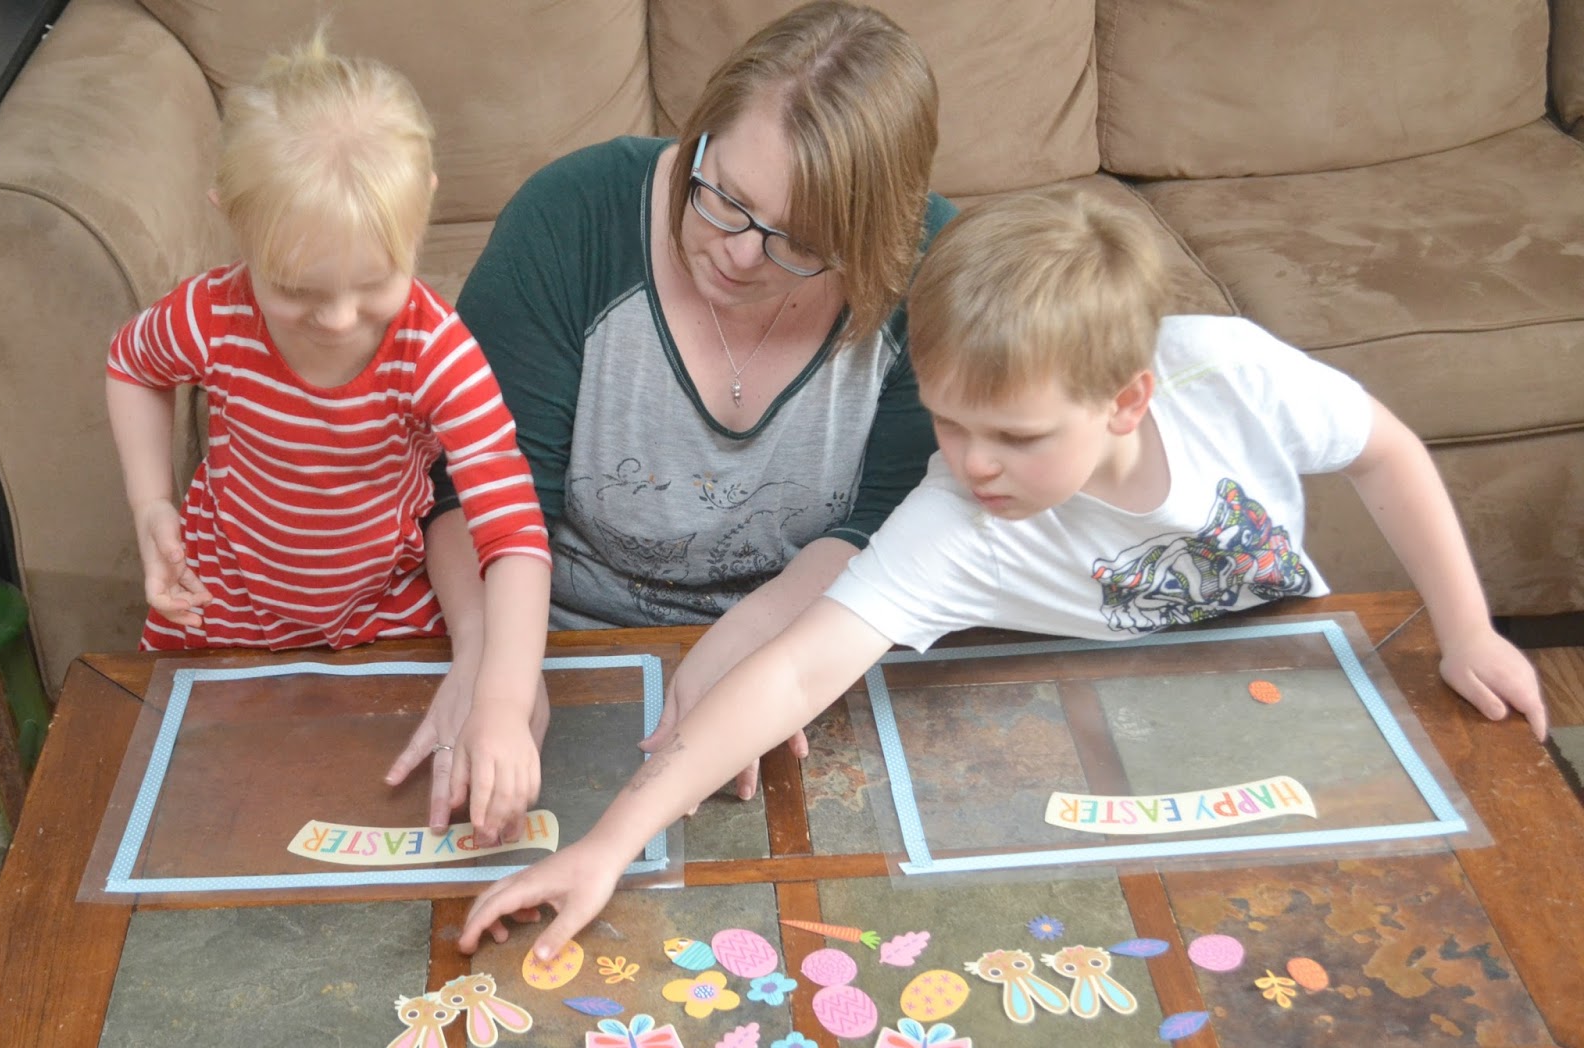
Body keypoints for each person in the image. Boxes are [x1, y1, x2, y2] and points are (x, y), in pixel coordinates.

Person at [456, 187, 1548, 956]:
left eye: (1015, 437)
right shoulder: (959, 517)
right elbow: (793, 673)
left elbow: (1384, 451)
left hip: (1283, 679)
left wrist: (1467, 629)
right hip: (1090, 728)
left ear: (1126, 397)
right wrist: (610, 843)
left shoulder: (1232, 371)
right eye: (949, 422)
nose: (972, 463)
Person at [418, 0, 956, 803]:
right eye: (725, 196)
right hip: (545, 644)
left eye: (801, 242)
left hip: (811, 644)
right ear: (700, 132)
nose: (739, 254)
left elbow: (896, 520)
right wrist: (490, 664)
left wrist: (761, 645)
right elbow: (474, 487)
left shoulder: (934, 269)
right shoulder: (571, 218)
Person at [105, 33, 553, 845]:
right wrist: (148, 503)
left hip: (385, 604)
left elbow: (514, 533)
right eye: (297, 290)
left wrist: (501, 701)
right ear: (232, 221)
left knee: (382, 791)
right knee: (205, 812)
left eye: (374, 282)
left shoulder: (438, 353)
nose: (340, 319)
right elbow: (132, 365)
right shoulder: (211, 314)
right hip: (222, 601)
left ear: (424, 207)